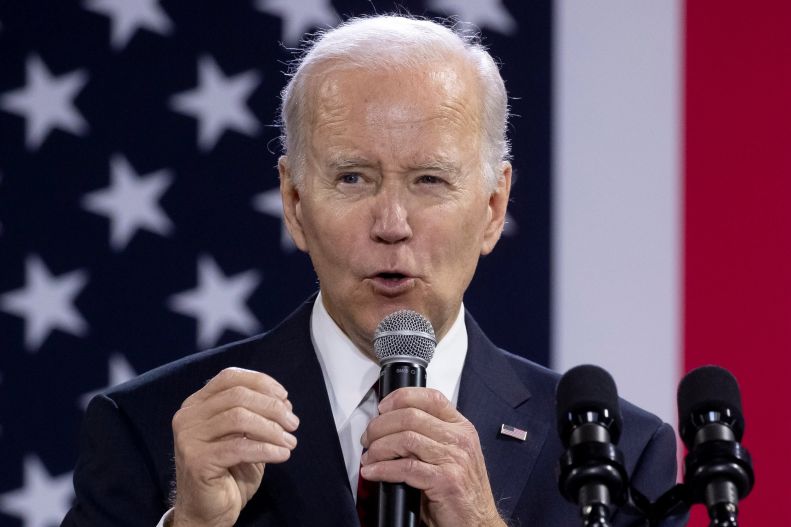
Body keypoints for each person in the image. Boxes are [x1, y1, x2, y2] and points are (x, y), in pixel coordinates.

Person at [62, 15, 682, 527]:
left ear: (493, 208)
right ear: (295, 203)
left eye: (429, 180)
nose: (391, 223)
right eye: (353, 178)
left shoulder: (615, 457)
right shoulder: (145, 429)